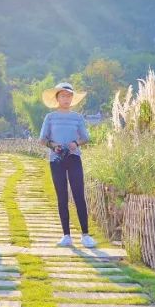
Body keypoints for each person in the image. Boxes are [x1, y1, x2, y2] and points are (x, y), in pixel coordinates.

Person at [38, 82, 95, 248]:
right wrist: (54, 145)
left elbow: (85, 137)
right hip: (56, 159)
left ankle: (85, 235)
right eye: (63, 96)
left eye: (69, 96)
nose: (66, 99)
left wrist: (76, 143)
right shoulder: (50, 117)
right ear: (57, 98)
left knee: (79, 195)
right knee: (61, 196)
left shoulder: (77, 117)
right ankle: (66, 235)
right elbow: (42, 139)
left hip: (74, 158)